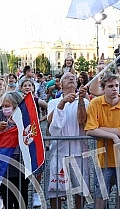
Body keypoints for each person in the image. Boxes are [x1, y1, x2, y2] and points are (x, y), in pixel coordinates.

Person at [84, 73, 120, 209]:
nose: (115, 89)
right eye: (110, 86)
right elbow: (89, 130)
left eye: (117, 86)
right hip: (103, 159)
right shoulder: (95, 103)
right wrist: (113, 136)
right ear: (103, 88)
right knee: (100, 195)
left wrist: (100, 129)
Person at [46, 73, 89, 209]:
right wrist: (62, 102)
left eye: (74, 78)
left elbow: (82, 121)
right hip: (59, 153)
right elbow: (51, 121)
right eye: (67, 77)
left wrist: (81, 99)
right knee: (56, 190)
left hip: (79, 153)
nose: (71, 79)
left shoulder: (85, 101)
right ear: (60, 84)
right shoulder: (53, 102)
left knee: (80, 190)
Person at [0, 91, 28, 209]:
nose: (5, 108)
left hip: (22, 161)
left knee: (22, 195)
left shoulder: (26, 115)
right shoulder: (0, 115)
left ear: (17, 105)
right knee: (6, 195)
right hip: (4, 161)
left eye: (7, 105)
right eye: (3, 106)